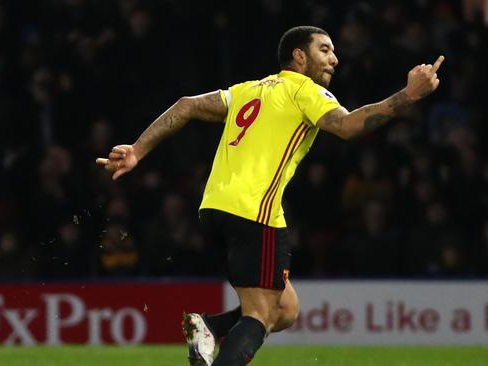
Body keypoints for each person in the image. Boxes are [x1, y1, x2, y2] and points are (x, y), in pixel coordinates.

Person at [96, 25, 443, 366]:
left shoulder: (249, 90)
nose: (334, 59)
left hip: (214, 208)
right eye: (325, 49)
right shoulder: (304, 90)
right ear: (298, 56)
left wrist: (138, 150)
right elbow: (350, 125)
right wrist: (408, 96)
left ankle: (208, 326)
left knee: (286, 309)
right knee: (260, 315)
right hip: (253, 211)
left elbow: (187, 105)